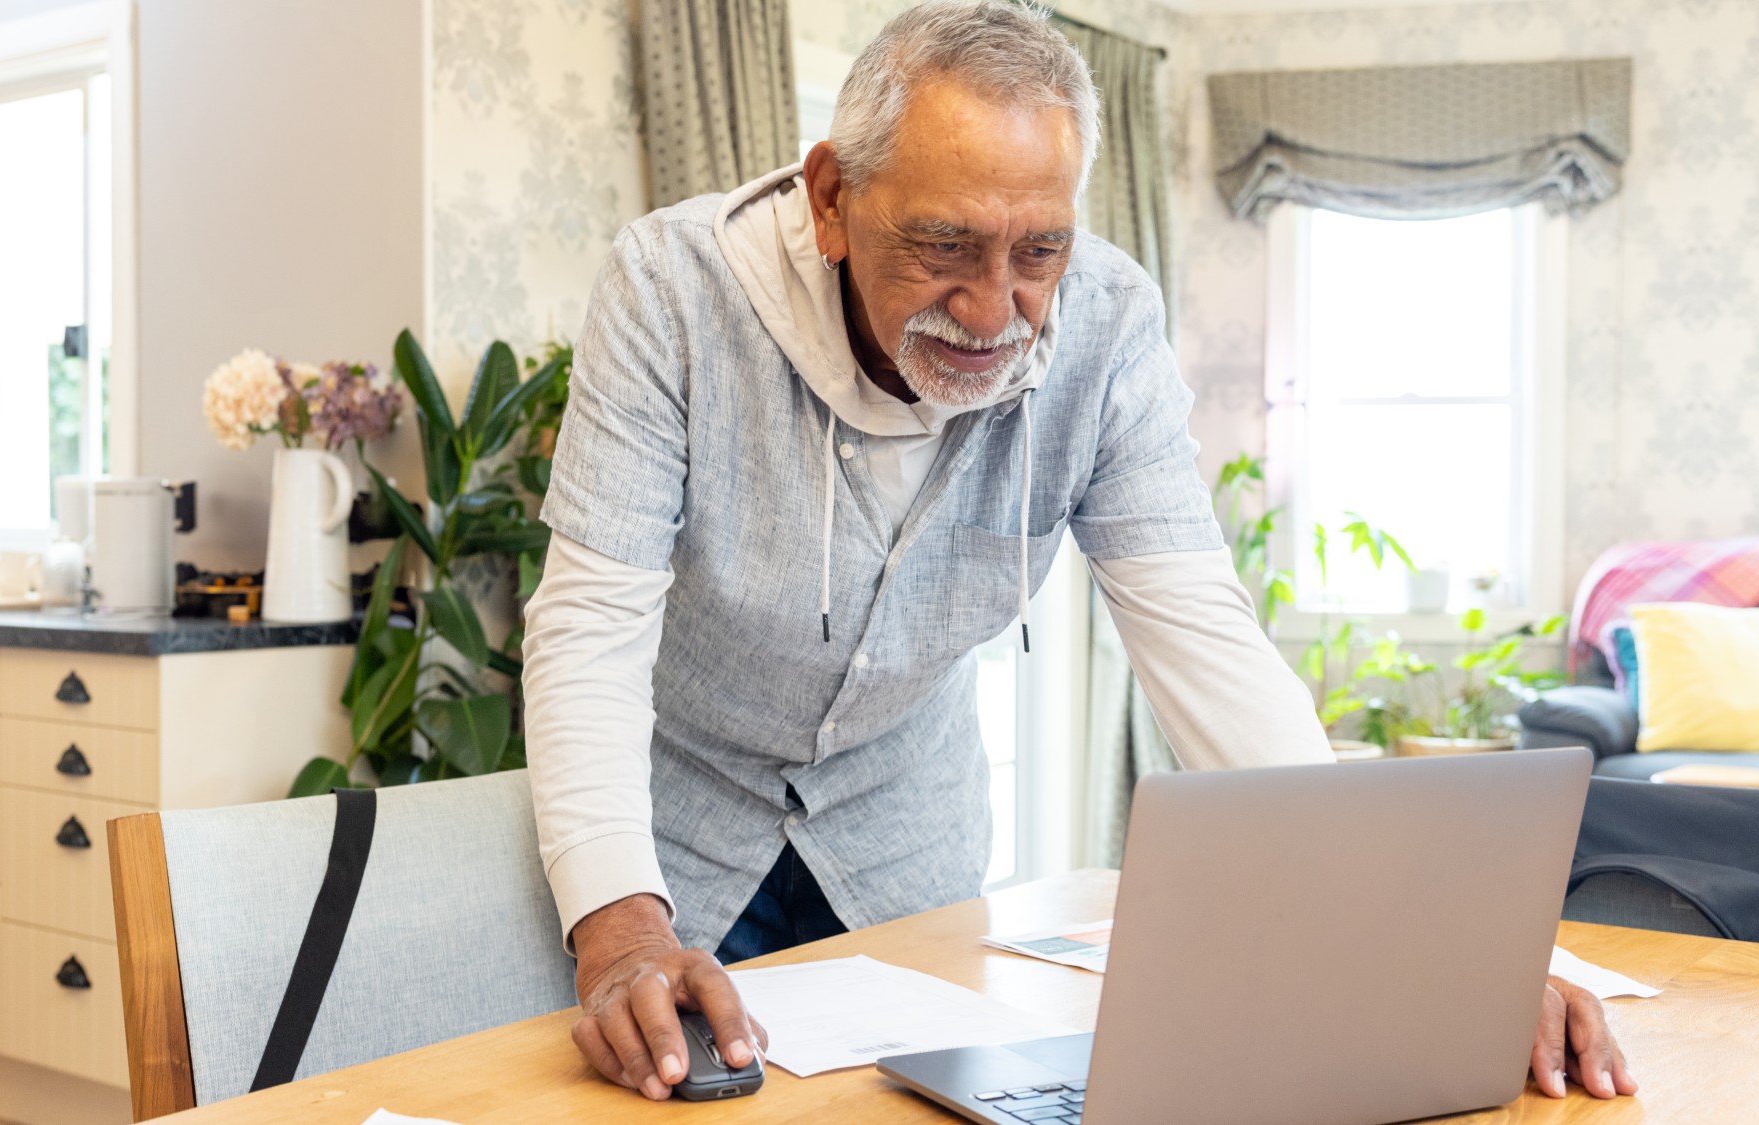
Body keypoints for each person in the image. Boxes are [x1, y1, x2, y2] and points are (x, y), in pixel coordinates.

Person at [521, 0, 1635, 1105]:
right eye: (943, 245)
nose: (992, 308)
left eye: (1037, 250)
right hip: (667, 840)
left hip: (900, 840)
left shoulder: (1103, 323)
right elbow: (590, 628)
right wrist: (619, 926)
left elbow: (1201, 634)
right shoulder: (670, 290)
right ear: (830, 200)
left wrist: (1432, 949)